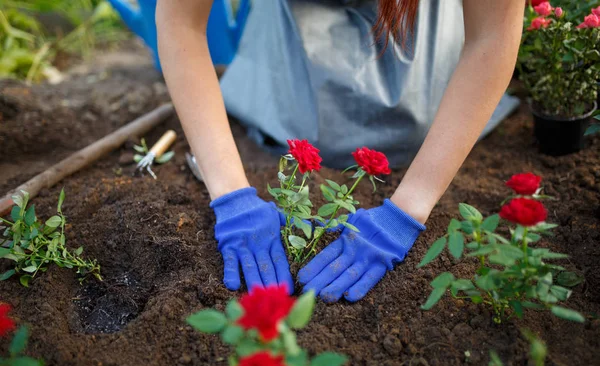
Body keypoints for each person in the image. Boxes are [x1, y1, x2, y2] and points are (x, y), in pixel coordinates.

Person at [156, 0, 524, 302]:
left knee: (417, 125)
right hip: (290, 48)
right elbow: (180, 22)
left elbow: (492, 36)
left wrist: (409, 208)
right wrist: (230, 195)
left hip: (416, 53)